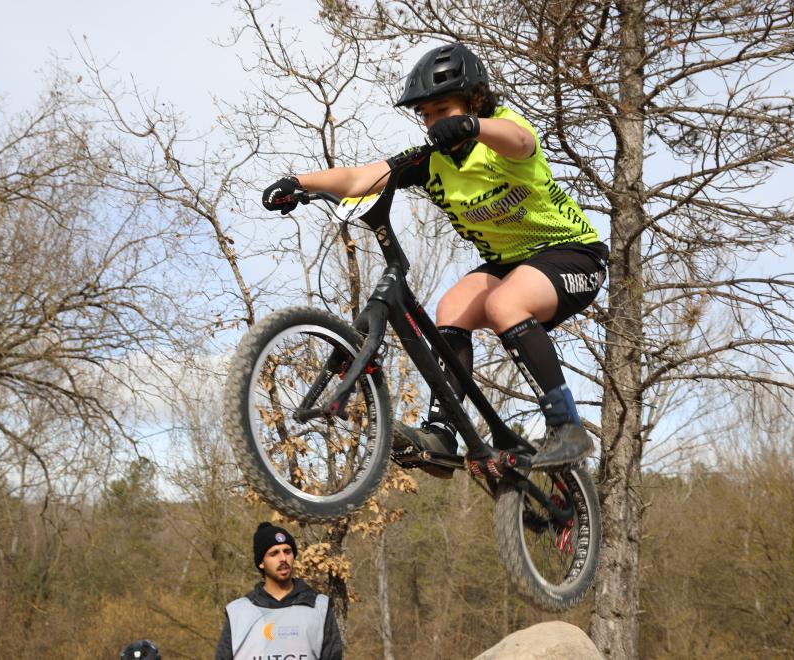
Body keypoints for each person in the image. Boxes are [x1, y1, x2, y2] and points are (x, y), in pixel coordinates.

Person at [262, 43, 608, 474]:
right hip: (508, 265)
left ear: (474, 100)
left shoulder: (502, 131)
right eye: (424, 114)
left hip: (573, 256)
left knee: (504, 304)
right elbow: (362, 177)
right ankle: (444, 431)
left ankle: (568, 428)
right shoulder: (434, 162)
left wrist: (473, 127)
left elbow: (521, 142)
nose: (431, 121)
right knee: (450, 309)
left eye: (441, 108)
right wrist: (301, 182)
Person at [215, 522, 343, 660]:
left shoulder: (319, 608)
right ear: (261, 563)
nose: (283, 558)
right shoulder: (238, 613)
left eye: (287, 551)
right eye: (274, 553)